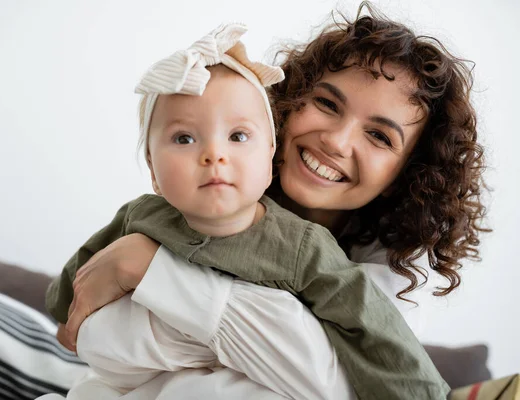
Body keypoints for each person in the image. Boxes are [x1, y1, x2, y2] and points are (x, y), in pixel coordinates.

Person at [54, 3, 488, 399]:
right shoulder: (198, 202)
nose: (336, 141)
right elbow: (98, 338)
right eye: (325, 103)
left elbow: (342, 387)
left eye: (378, 135)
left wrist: (155, 275)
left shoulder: (396, 274)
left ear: (406, 174)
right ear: (286, 105)